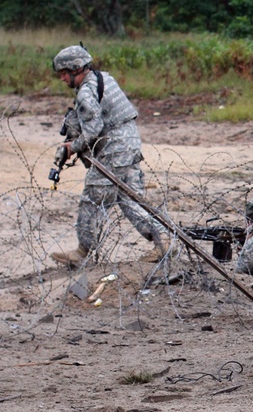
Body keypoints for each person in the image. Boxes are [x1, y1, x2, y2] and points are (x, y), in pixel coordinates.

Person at [49, 45, 167, 268]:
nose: (62, 78)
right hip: (130, 141)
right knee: (129, 198)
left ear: (76, 68)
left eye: (64, 73)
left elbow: (93, 131)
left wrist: (71, 147)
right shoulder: (102, 78)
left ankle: (83, 251)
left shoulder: (85, 93)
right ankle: (164, 240)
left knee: (92, 196)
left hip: (115, 148)